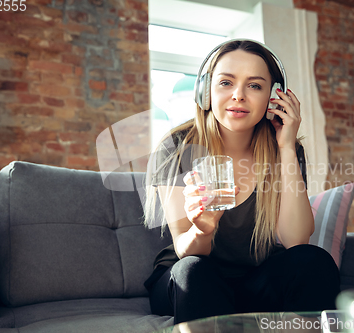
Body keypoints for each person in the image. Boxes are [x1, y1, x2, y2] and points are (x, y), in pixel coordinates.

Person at [143, 39, 340, 324]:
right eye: (226, 82)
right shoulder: (176, 146)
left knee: (314, 261)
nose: (238, 95)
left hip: (254, 281)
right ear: (205, 91)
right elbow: (185, 249)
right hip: (192, 277)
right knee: (194, 271)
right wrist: (202, 231)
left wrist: (285, 147)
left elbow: (296, 240)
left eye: (255, 85)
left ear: (274, 97)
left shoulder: (286, 150)